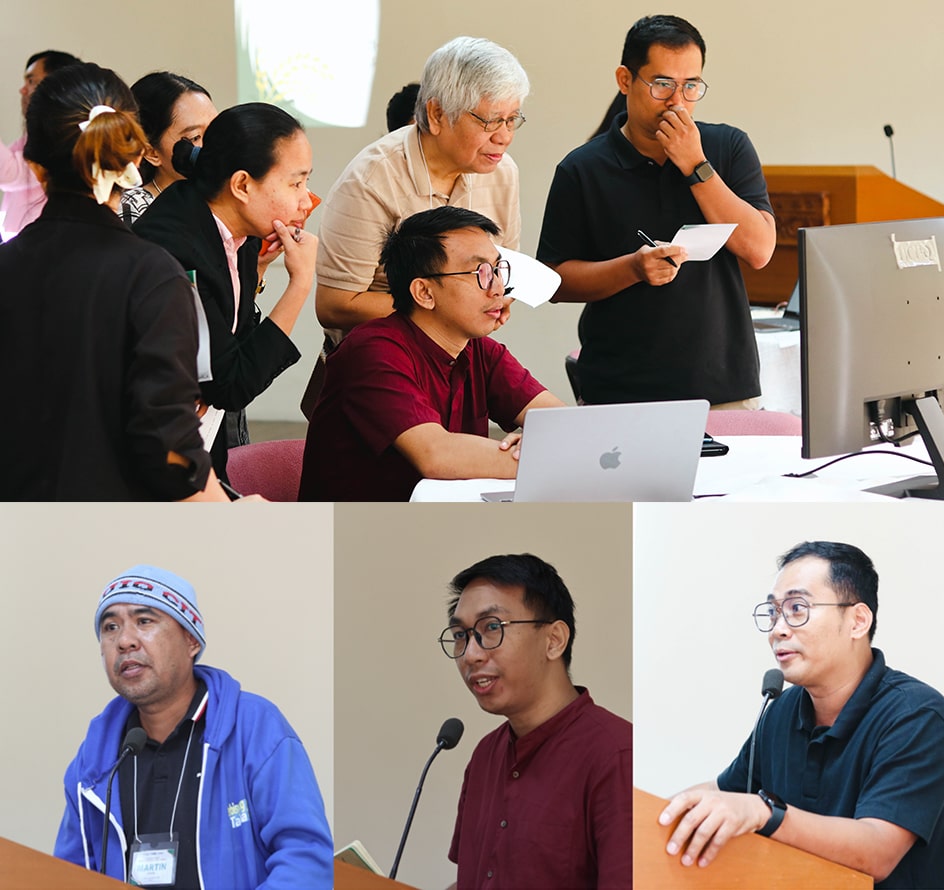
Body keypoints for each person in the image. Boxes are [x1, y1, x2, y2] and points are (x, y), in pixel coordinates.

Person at [659, 541, 944, 888]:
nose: (778, 629)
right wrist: (650, 814)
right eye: (773, 613)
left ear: (858, 621)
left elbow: (878, 851)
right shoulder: (782, 709)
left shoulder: (916, 716)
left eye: (797, 608)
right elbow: (724, 792)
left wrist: (765, 813)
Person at [0, 62, 225, 500]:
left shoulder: (7, 266)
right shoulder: (154, 276)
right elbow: (168, 449)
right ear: (137, 155)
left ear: (33, 163)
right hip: (112, 539)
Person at [537, 15, 776, 408]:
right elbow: (554, 281)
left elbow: (760, 249)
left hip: (722, 385)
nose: (677, 101)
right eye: (662, 84)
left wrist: (695, 165)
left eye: (691, 86)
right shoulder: (582, 168)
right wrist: (632, 269)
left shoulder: (727, 147)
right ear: (625, 80)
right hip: (619, 388)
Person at [54, 565, 333, 887]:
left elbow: (305, 857)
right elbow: (68, 875)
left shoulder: (255, 728)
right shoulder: (95, 760)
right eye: (110, 627)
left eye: (144, 621)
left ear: (191, 641)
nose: (124, 641)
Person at [302, 36, 527, 418]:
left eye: (512, 119)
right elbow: (335, 305)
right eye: (490, 121)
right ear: (437, 115)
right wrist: (448, 308)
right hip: (378, 370)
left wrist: (496, 299)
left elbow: (505, 269)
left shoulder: (502, 172)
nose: (504, 136)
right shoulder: (372, 178)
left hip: (460, 361)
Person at [298, 207, 563, 501]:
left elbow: (565, 424)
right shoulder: (372, 351)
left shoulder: (480, 350)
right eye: (481, 274)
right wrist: (543, 455)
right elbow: (436, 454)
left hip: (437, 523)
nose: (498, 288)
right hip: (352, 533)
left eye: (498, 270)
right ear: (424, 292)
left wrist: (546, 446)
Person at [135, 102, 317, 482]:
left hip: (199, 447)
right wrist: (299, 284)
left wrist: (259, 272)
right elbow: (230, 385)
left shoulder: (242, 231)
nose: (307, 200)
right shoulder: (174, 248)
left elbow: (233, 344)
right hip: (148, 462)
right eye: (296, 182)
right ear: (242, 185)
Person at [440, 554, 632, 888]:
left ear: (554, 640)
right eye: (461, 635)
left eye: (492, 628)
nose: (471, 654)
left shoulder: (617, 755)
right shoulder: (485, 756)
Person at [0, 49, 80, 239]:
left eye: (31, 80)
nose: (23, 90)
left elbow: (7, 173)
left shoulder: (63, 137)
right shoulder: (30, 137)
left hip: (37, 247)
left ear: (56, 85)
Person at [118, 71, 217, 224]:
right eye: (195, 137)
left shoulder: (221, 195)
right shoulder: (136, 208)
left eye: (215, 129)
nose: (212, 143)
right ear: (151, 153)